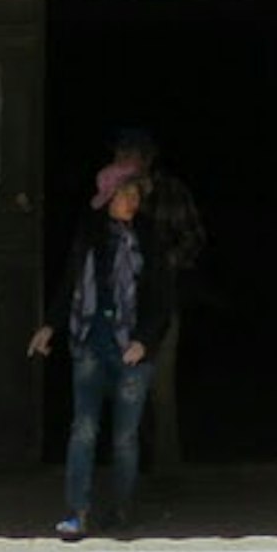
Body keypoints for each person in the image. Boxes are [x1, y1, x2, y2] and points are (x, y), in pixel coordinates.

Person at [27, 152, 178, 539]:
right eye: (126, 193)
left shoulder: (148, 237)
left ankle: (123, 509)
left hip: (131, 349)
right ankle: (78, 510)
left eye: (136, 194)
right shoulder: (89, 235)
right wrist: (50, 325)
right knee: (84, 429)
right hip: (90, 343)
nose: (133, 201)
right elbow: (71, 284)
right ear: (109, 196)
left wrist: (145, 341)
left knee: (125, 437)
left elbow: (162, 298)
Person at [112, 123, 209, 473]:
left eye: (131, 156)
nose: (124, 162)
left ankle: (166, 468)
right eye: (119, 155)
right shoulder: (111, 193)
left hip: (160, 303)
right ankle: (130, 469)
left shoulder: (171, 192)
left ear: (147, 160)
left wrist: (164, 263)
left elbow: (193, 238)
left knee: (160, 388)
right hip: (120, 306)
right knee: (123, 385)